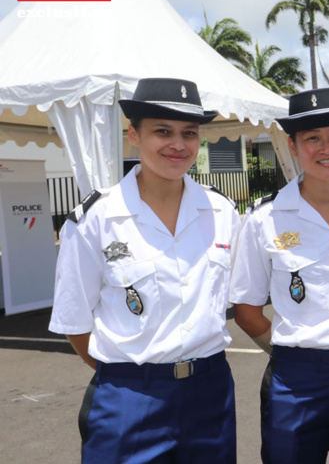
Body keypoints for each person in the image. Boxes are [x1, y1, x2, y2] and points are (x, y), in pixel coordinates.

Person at [48, 78, 239, 463]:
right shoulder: (96, 219)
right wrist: (130, 373)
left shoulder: (222, 212)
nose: (178, 144)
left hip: (210, 392)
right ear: (133, 135)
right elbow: (75, 321)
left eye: (189, 133)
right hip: (129, 396)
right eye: (162, 131)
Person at [230, 88, 329, 464]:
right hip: (296, 381)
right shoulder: (265, 219)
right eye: (312, 138)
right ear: (292, 145)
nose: (327, 148)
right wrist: (291, 356)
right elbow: (247, 310)